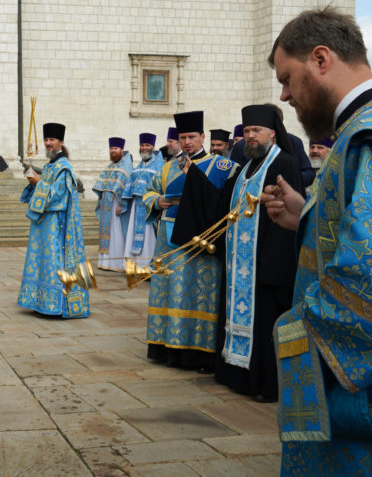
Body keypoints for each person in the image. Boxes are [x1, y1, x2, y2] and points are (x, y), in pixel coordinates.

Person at [261, 7, 372, 473]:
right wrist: (304, 217)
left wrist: (295, 332)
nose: (285, 95)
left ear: (321, 59)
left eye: (288, 78)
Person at [174, 105, 302, 402]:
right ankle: (235, 374)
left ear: (272, 132)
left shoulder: (285, 164)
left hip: (266, 265)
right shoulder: (245, 169)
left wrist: (269, 263)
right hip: (238, 264)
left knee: (265, 324)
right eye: (246, 132)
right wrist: (194, 178)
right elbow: (220, 207)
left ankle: (264, 383)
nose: (250, 136)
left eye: (256, 131)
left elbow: (290, 218)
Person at [142, 110, 236, 369]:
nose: (187, 142)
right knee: (170, 291)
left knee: (198, 293)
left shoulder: (221, 166)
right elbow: (148, 192)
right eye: (183, 137)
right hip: (167, 239)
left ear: (203, 137)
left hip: (199, 239)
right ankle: (167, 346)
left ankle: (197, 351)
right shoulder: (167, 167)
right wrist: (158, 201)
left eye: (192, 137)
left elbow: (223, 200)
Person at [18, 122, 90, 318]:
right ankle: (39, 300)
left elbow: (58, 197)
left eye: (52, 140)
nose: (48, 143)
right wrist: (33, 183)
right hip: (43, 224)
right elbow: (42, 190)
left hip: (56, 227)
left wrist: (38, 183)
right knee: (42, 262)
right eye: (47, 140)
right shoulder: (50, 166)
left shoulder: (64, 168)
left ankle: (55, 304)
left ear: (61, 142)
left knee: (54, 263)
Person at [122, 133, 163, 269]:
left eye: (147, 145)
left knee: (149, 237)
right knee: (132, 234)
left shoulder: (159, 165)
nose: (144, 148)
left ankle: (146, 266)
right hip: (136, 206)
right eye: (142, 145)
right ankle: (133, 266)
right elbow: (129, 185)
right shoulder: (138, 166)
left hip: (149, 207)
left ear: (153, 147)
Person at [93, 137, 132, 271]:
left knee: (117, 234)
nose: (113, 151)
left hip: (116, 205)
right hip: (106, 207)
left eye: (115, 148)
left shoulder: (126, 166)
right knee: (107, 234)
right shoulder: (110, 166)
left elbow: (127, 188)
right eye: (111, 148)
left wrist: (122, 205)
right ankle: (105, 261)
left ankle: (115, 263)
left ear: (121, 150)